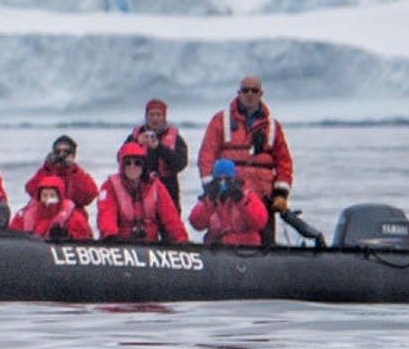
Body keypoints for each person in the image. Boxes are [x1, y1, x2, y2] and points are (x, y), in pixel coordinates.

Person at [197, 76, 294, 245]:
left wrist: (281, 194)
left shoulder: (272, 126)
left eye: (254, 90)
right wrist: (211, 188)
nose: (249, 94)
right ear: (239, 93)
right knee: (221, 236)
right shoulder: (221, 120)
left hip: (262, 197)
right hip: (228, 196)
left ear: (261, 94)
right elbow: (207, 154)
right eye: (245, 90)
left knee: (265, 242)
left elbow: (284, 162)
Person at [97, 143, 188, 242]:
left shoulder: (156, 187)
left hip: (150, 245)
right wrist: (110, 236)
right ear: (122, 166)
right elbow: (106, 215)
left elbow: (171, 218)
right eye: (128, 163)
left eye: (138, 163)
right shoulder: (109, 186)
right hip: (120, 244)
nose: (133, 166)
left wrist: (181, 239)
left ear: (143, 165)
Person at [188, 159, 269, 246]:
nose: (223, 183)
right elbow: (196, 223)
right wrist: (209, 201)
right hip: (217, 251)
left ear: (234, 178)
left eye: (227, 179)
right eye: (219, 179)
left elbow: (260, 222)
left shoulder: (247, 195)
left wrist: (241, 200)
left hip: (246, 250)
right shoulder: (210, 198)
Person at [126, 98, 189, 208]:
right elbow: (121, 158)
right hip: (140, 187)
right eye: (151, 114)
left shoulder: (175, 138)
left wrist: (159, 148)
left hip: (168, 188)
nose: (155, 119)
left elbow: (181, 163)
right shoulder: (135, 137)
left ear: (164, 117)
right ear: (146, 116)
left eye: (159, 115)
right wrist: (136, 143)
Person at [11, 175, 93, 240]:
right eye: (44, 195)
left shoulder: (74, 217)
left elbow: (84, 240)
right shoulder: (25, 215)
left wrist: (66, 238)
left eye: (52, 195)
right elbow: (12, 233)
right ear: (39, 197)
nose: (48, 199)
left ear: (60, 196)